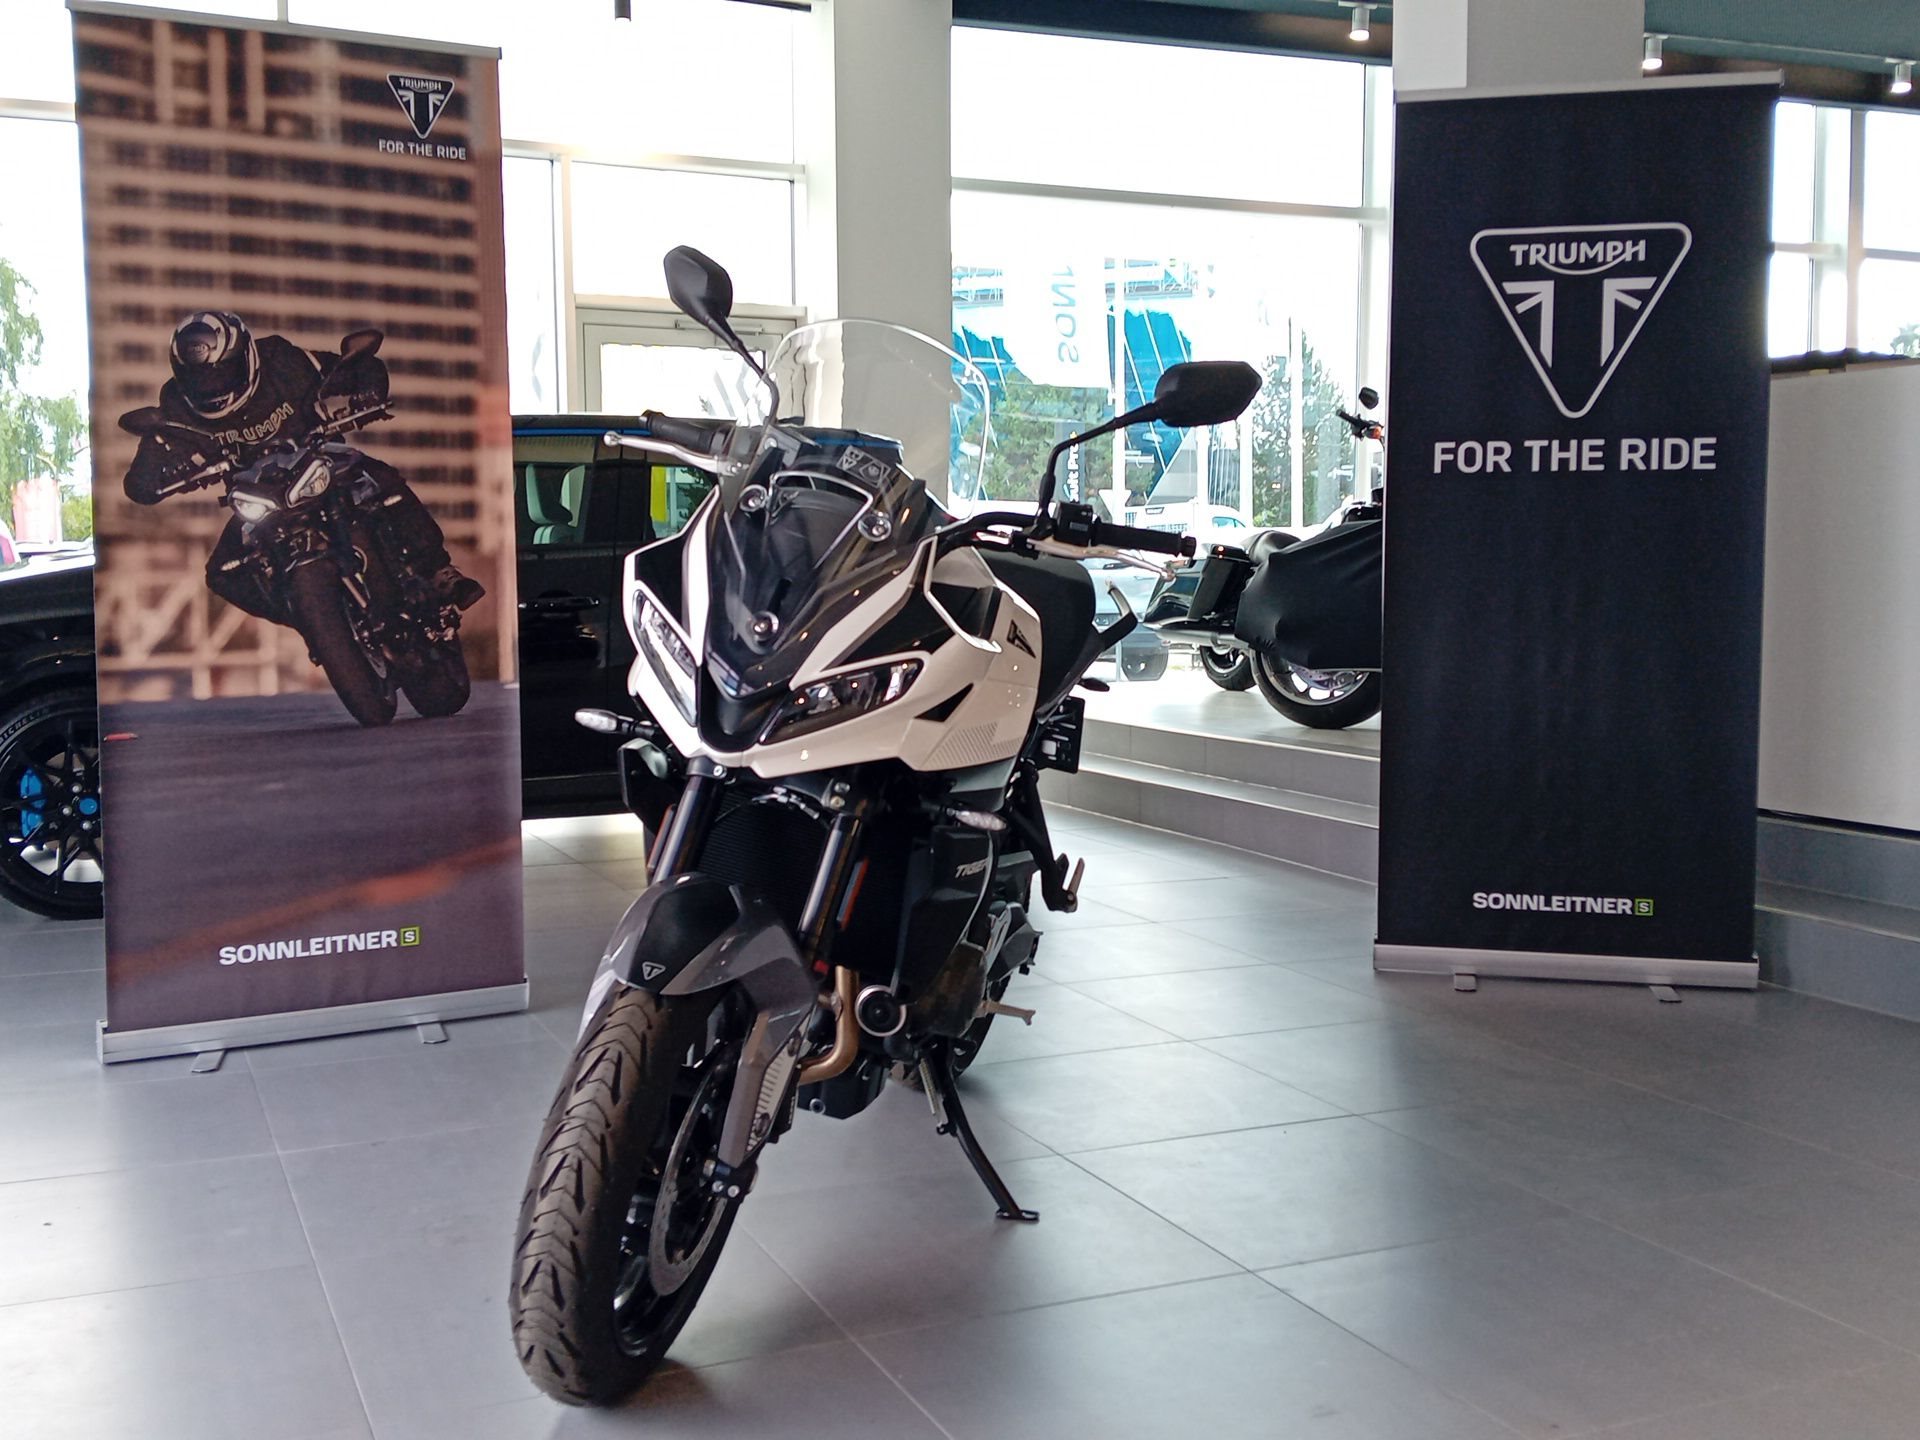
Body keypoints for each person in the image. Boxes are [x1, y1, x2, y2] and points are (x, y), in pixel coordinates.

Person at [121, 311, 484, 618]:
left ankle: (439, 571)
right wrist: (162, 476)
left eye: (219, 372)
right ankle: (310, 620)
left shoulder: (281, 361)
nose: (211, 385)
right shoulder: (175, 404)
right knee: (222, 573)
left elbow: (355, 367)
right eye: (199, 378)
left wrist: (367, 392)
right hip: (257, 496)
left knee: (383, 480)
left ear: (244, 355)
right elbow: (142, 477)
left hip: (320, 460)